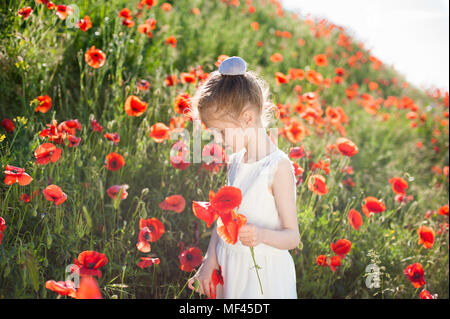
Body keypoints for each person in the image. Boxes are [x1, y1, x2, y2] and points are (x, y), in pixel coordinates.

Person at [187, 56, 300, 298]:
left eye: (220, 130)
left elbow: (292, 236)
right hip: (232, 269)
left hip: (263, 278)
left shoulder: (277, 167)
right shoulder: (237, 162)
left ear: (248, 118)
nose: (218, 139)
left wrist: (261, 235)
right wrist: (210, 262)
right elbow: (223, 220)